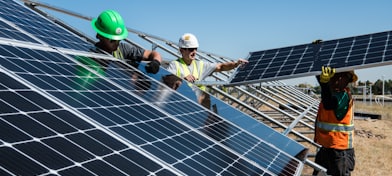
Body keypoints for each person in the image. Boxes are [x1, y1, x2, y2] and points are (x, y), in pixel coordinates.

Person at [166, 33, 248, 109]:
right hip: (181, 106)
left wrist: (236, 64)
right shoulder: (174, 65)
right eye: (191, 49)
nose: (194, 52)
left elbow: (221, 66)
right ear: (181, 50)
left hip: (200, 107)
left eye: (195, 49)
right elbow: (167, 84)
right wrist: (182, 79)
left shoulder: (201, 65)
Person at [313, 66, 357, 176]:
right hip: (327, 148)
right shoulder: (333, 93)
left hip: (339, 151)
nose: (332, 79)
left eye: (335, 76)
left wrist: (324, 83)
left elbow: (328, 103)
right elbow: (326, 91)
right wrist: (317, 68)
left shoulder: (343, 96)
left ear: (343, 79)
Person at [91, 10, 162, 74]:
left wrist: (156, 62)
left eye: (119, 39)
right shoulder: (91, 56)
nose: (117, 43)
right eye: (113, 40)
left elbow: (152, 53)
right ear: (99, 36)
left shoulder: (123, 49)